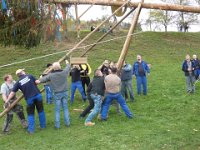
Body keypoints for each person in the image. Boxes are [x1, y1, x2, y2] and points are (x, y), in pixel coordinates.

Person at [6, 69, 46, 134]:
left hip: (29, 99)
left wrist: (7, 100)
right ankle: (43, 126)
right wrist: (42, 78)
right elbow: (37, 82)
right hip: (37, 95)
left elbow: (12, 93)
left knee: (30, 114)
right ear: (22, 72)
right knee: (41, 111)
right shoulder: (30, 76)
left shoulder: (18, 82)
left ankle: (31, 130)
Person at [36, 61, 71, 129]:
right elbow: (68, 67)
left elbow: (42, 79)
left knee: (57, 110)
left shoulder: (51, 75)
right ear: (60, 67)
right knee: (65, 108)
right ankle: (68, 123)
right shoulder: (64, 72)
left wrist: (37, 81)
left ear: (53, 68)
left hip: (57, 94)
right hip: (65, 92)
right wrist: (67, 62)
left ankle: (57, 126)